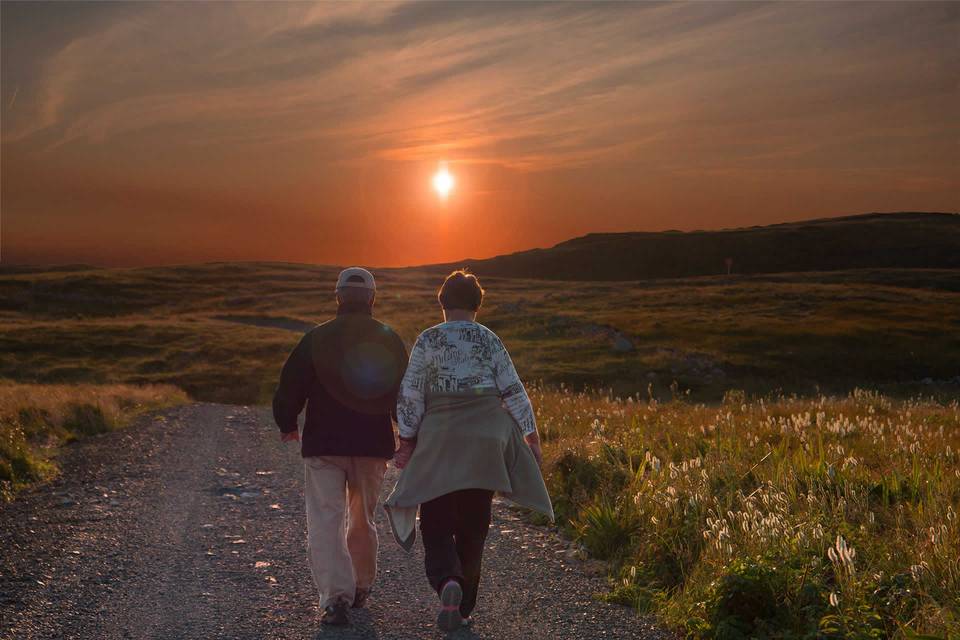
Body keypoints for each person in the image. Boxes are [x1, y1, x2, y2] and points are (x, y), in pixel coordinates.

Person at [384, 269, 553, 633]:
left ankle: (449, 582)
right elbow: (514, 392)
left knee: (437, 522)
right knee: (475, 524)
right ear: (477, 304)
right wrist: (532, 439)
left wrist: (408, 440)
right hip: (486, 441)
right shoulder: (489, 340)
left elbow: (411, 395)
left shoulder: (428, 340)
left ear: (442, 302)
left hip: (440, 439)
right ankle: (463, 609)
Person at [272, 267, 408, 627]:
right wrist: (406, 436)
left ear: (338, 297)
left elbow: (290, 384)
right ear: (372, 299)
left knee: (326, 520)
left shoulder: (316, 338)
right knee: (362, 518)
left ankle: (336, 599)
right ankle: (361, 587)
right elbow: (402, 394)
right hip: (371, 446)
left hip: (324, 445)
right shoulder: (388, 338)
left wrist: (287, 423)